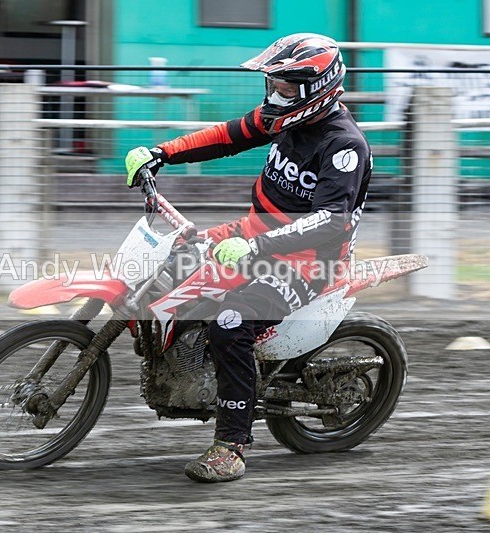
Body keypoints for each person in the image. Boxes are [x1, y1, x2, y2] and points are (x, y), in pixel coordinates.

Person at [124, 34, 372, 482]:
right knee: (167, 265)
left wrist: (255, 247)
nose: (275, 93)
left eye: (285, 87)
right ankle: (182, 365)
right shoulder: (283, 119)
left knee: (230, 322)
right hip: (253, 235)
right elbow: (225, 136)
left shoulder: (344, 147)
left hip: (305, 263)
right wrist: (162, 154)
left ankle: (232, 445)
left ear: (317, 88)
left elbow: (331, 220)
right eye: (273, 84)